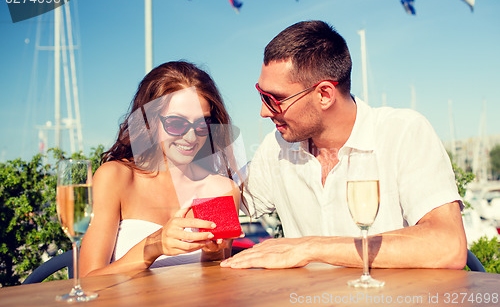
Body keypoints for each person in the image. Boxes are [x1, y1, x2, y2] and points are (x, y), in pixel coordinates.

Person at [220, 20, 467, 270]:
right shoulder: (277, 147)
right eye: (261, 95)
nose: (263, 111)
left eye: (274, 99)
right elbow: (228, 198)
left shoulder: (403, 132)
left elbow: (448, 245)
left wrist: (311, 248)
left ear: (324, 95)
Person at [80, 61, 241, 277]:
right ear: (150, 120)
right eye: (177, 124)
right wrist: (154, 246)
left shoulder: (221, 189)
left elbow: (220, 283)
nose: (191, 137)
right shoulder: (116, 177)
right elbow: (88, 280)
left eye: (202, 124)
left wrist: (212, 253)